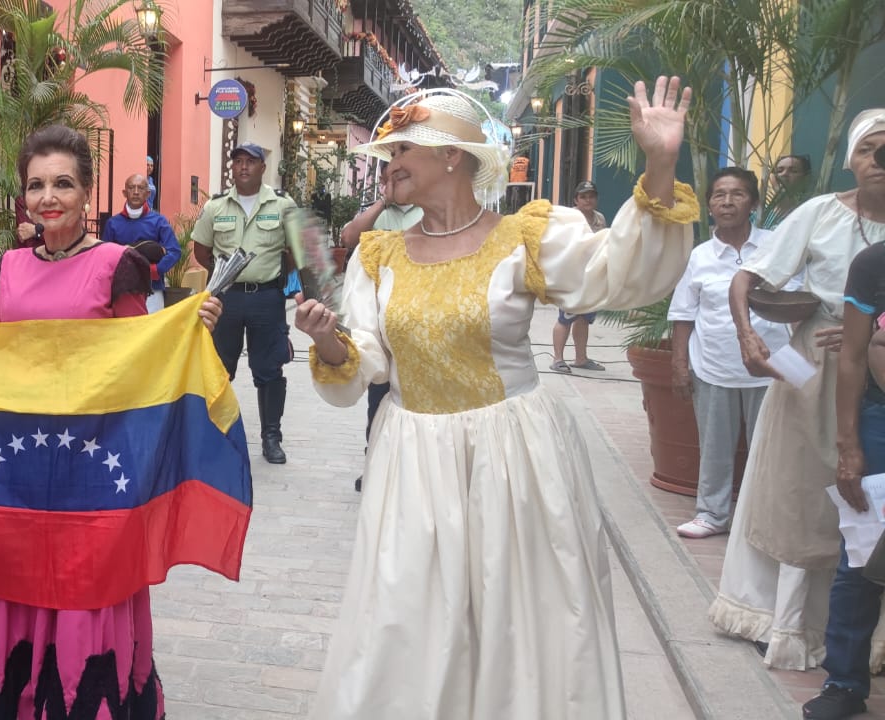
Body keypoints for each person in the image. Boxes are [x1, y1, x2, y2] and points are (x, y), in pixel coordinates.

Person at [297, 78, 697, 719]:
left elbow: (618, 270)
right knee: (407, 617)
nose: (389, 163)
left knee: (522, 614)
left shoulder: (525, 239)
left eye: (404, 149)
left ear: (452, 156)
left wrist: (660, 163)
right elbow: (367, 357)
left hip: (515, 460)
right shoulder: (379, 255)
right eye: (388, 151)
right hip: (413, 460)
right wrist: (331, 342)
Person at [0, 124, 223, 719]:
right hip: (11, 471)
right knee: (4, 585)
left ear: (88, 191)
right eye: (36, 185)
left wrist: (188, 335)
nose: (49, 198)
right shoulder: (9, 267)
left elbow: (140, 358)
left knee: (82, 597)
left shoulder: (119, 265)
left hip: (90, 473)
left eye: (63, 183)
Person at [707, 110, 885, 680]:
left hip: (879, 372)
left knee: (871, 500)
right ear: (852, 160)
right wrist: (748, 334)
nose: (877, 161)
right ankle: (786, 623)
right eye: (868, 150)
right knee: (800, 494)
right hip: (812, 371)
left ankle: (864, 641)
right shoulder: (819, 214)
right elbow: (749, 278)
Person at [779, 113, 885, 720]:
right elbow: (851, 358)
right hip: (877, 418)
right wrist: (850, 445)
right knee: (864, 554)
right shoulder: (871, 267)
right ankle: (844, 682)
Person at [667, 167, 789, 540]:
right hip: (714, 366)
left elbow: (798, 300)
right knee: (715, 446)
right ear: (709, 206)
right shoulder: (700, 256)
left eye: (737, 194)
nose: (728, 202)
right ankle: (712, 514)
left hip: (772, 367)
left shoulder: (776, 245)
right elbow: (684, 314)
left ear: (752, 202)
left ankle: (764, 518)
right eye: (719, 195)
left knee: (770, 447)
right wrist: (679, 364)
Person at [193, 143, 298, 465]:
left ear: (262, 167)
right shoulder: (216, 207)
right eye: (237, 161)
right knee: (219, 368)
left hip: (267, 298)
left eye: (250, 162)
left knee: (269, 369)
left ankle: (271, 437)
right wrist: (222, 277)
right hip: (227, 299)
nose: (243, 167)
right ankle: (215, 435)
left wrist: (277, 278)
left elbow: (296, 251)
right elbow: (201, 250)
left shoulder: (282, 205)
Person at [338, 168, 423, 492]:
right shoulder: (376, 214)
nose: (393, 184)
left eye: (400, 178)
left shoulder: (426, 212)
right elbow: (348, 238)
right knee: (378, 399)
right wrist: (381, 203)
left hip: (417, 319)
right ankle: (374, 462)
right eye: (387, 179)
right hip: (381, 325)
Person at [550, 179, 608, 374]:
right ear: (576, 200)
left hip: (592, 277)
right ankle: (558, 359)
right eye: (583, 197)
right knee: (565, 318)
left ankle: (581, 358)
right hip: (571, 277)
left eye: (591, 196)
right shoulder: (570, 218)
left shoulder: (600, 219)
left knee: (584, 318)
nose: (588, 200)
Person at [102, 174, 181, 311]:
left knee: (153, 331)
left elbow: (174, 251)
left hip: (152, 290)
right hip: (122, 290)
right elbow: (104, 256)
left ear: (148, 193)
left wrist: (154, 271)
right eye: (132, 188)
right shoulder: (113, 224)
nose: (136, 192)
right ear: (124, 193)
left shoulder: (159, 221)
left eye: (141, 188)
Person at [769, 153, 815, 222]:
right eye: (779, 171)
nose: (784, 174)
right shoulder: (760, 214)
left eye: (793, 171)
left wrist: (779, 191)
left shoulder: (810, 210)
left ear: (805, 178)